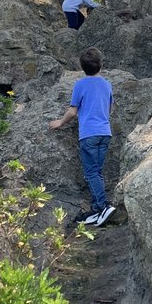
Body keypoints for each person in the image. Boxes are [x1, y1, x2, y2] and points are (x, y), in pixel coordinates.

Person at [49, 47, 115, 227]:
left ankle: (103, 207)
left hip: (89, 135)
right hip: (105, 132)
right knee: (97, 171)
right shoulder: (107, 84)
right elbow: (109, 109)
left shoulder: (80, 85)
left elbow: (72, 111)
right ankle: (96, 210)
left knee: (91, 172)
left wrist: (60, 123)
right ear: (101, 65)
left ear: (82, 67)